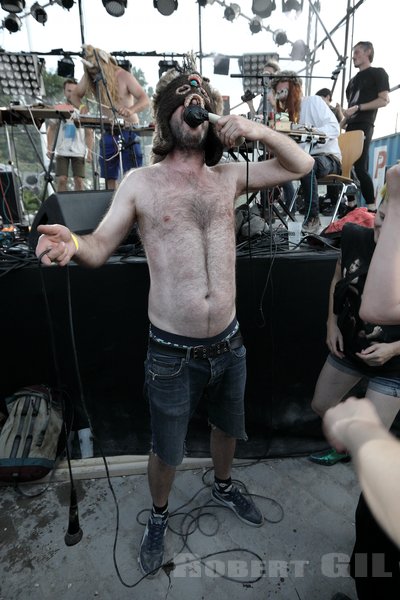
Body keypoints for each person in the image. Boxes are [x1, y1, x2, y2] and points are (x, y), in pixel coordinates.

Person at [34, 65, 314, 576]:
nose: (197, 100)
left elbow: (302, 163)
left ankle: (225, 485)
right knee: (167, 448)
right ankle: (159, 516)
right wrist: (72, 243)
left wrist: (255, 129)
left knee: (228, 428)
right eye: (186, 94)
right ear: (169, 115)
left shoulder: (230, 177)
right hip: (171, 352)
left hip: (229, 343)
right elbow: (98, 245)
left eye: (203, 95)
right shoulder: (142, 182)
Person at [309, 184, 400, 466]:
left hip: (395, 362)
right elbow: (338, 278)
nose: (383, 229)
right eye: (382, 217)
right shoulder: (355, 236)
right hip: (352, 343)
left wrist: (394, 349)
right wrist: (331, 323)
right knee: (321, 404)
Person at [69, 44, 150, 190]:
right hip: (108, 130)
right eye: (91, 72)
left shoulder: (124, 76)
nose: (94, 75)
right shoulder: (90, 76)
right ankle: (112, 208)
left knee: (132, 175)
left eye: (96, 71)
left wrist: (131, 110)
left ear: (104, 66)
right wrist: (81, 107)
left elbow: (144, 99)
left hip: (129, 131)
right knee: (108, 175)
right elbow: (74, 95)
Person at [271, 71, 342, 233]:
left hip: (328, 158)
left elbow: (334, 128)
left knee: (307, 165)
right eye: (278, 93)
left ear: (296, 89)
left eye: (284, 92)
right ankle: (267, 215)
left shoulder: (313, 102)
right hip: (304, 159)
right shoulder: (285, 116)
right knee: (267, 161)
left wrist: (308, 131)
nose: (281, 97)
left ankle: (313, 217)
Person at [341, 41, 390, 211]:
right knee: (345, 166)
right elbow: (350, 109)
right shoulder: (352, 82)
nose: (354, 56)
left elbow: (384, 100)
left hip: (365, 124)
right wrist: (340, 122)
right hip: (350, 126)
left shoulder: (378, 73)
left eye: (357, 52)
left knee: (359, 167)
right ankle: (351, 207)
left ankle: (372, 209)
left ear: (368, 52)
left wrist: (359, 108)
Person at [46, 78, 93, 192]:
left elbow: (89, 132)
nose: (71, 93)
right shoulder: (60, 108)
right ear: (64, 92)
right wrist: (49, 147)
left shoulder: (83, 111)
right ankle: (62, 205)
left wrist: (90, 151)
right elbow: (51, 128)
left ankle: (80, 205)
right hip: (62, 150)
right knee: (62, 179)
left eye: (73, 91)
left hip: (79, 150)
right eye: (68, 90)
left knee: (79, 180)